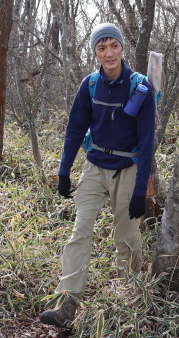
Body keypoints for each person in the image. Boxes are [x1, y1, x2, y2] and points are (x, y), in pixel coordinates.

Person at [40, 23, 156, 329]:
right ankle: (68, 301)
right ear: (95, 52)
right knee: (80, 231)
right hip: (94, 167)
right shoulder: (89, 85)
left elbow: (147, 142)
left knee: (126, 236)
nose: (109, 53)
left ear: (122, 48)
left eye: (113, 46)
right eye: (102, 47)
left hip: (128, 168)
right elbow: (75, 129)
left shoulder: (141, 86)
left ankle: (129, 295)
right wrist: (63, 172)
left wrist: (139, 191)